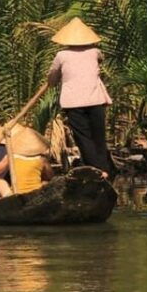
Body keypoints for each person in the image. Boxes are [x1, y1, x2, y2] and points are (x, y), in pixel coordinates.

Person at [45, 17, 114, 178]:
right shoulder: (95, 52)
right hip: (95, 99)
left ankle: (96, 169)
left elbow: (52, 77)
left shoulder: (61, 55)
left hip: (74, 102)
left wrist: (53, 81)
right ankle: (103, 169)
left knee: (83, 137)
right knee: (98, 135)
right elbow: (100, 60)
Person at [5, 124, 55, 195]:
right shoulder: (42, 160)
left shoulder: (13, 158)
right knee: (46, 182)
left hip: (16, 193)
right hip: (35, 193)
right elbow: (50, 176)